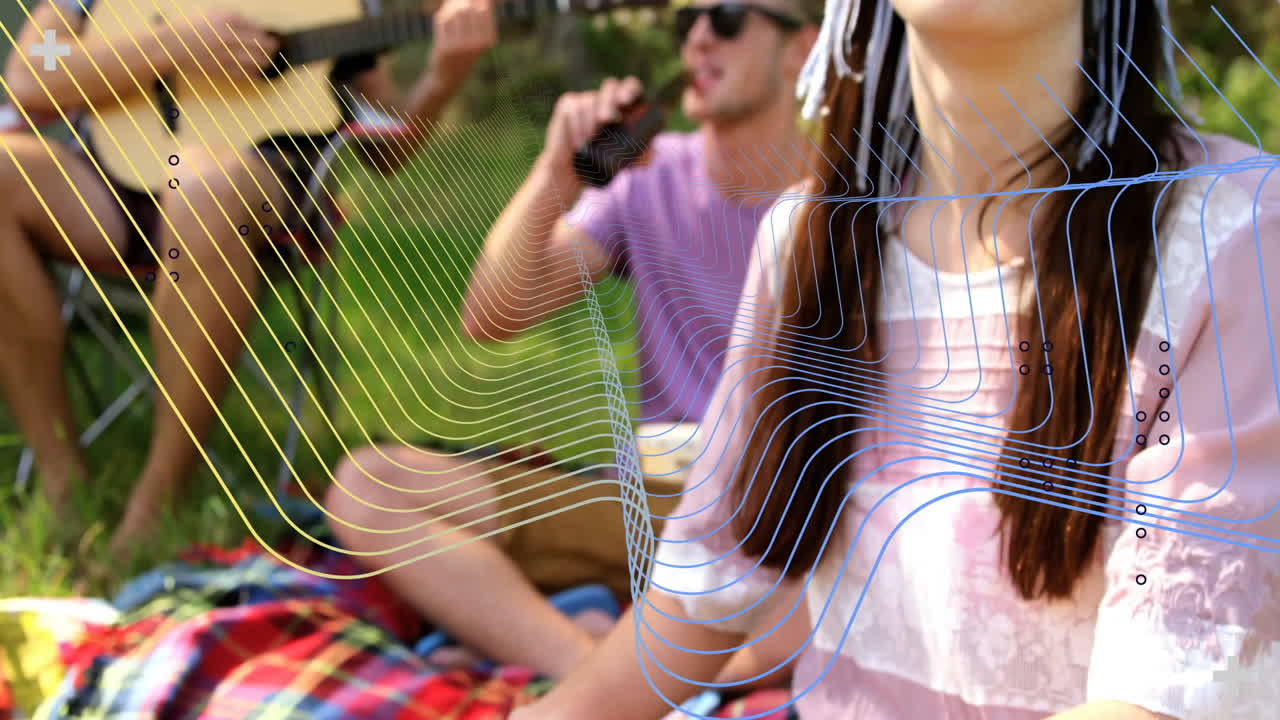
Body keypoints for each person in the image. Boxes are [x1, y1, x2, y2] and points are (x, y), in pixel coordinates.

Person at [512, 0, 1280, 718]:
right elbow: (707, 580)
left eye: (729, 16)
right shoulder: (806, 240)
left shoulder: (1235, 236)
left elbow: (1169, 687)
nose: (701, 37)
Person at [324, 0, 822, 684]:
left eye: (729, 16)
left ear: (803, 49)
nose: (701, 36)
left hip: (773, 524)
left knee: (855, 590)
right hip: (647, 506)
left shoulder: (844, 207)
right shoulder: (646, 176)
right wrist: (554, 175)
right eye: (688, 21)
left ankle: (606, 656)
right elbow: (492, 315)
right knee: (369, 487)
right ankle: (597, 670)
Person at [0, 0, 496, 557]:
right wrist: (177, 43)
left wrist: (441, 78)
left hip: (252, 191)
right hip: (112, 188)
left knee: (201, 185)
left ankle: (158, 501)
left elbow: (388, 148)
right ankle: (63, 486)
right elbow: (29, 74)